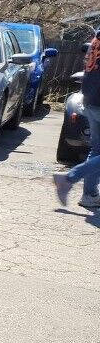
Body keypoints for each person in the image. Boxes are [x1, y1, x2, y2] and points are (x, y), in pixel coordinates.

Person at [53, 27, 100, 209]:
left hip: (90, 99)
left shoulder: (96, 38)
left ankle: (89, 195)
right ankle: (68, 178)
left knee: (97, 150)